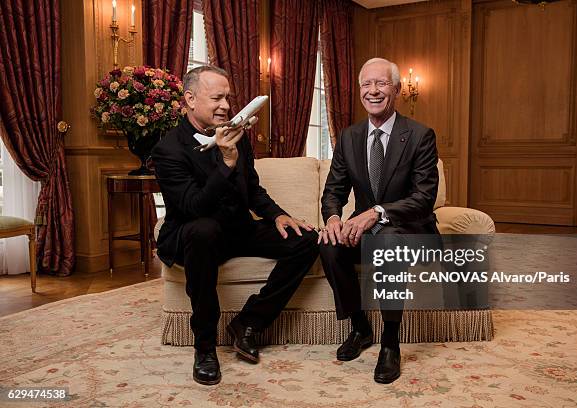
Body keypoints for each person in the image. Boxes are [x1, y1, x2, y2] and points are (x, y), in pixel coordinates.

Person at [152, 65, 319, 386]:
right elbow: (192, 207)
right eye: (217, 98)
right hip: (195, 234)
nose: (227, 106)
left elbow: (253, 189)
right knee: (203, 230)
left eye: (227, 98)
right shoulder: (168, 149)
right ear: (189, 99)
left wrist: (277, 215)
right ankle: (204, 347)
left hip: (238, 229)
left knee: (307, 238)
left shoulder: (236, 136)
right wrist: (226, 164)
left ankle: (249, 323)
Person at [319, 57, 439, 384]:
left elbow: (423, 199)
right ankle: (360, 328)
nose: (373, 91)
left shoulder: (419, 135)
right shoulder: (349, 137)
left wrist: (375, 213)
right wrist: (332, 218)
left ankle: (390, 342)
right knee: (329, 246)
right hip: (366, 233)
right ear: (360, 90)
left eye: (381, 84)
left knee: (388, 241)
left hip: (410, 231)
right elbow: (334, 190)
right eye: (366, 84)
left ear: (396, 90)